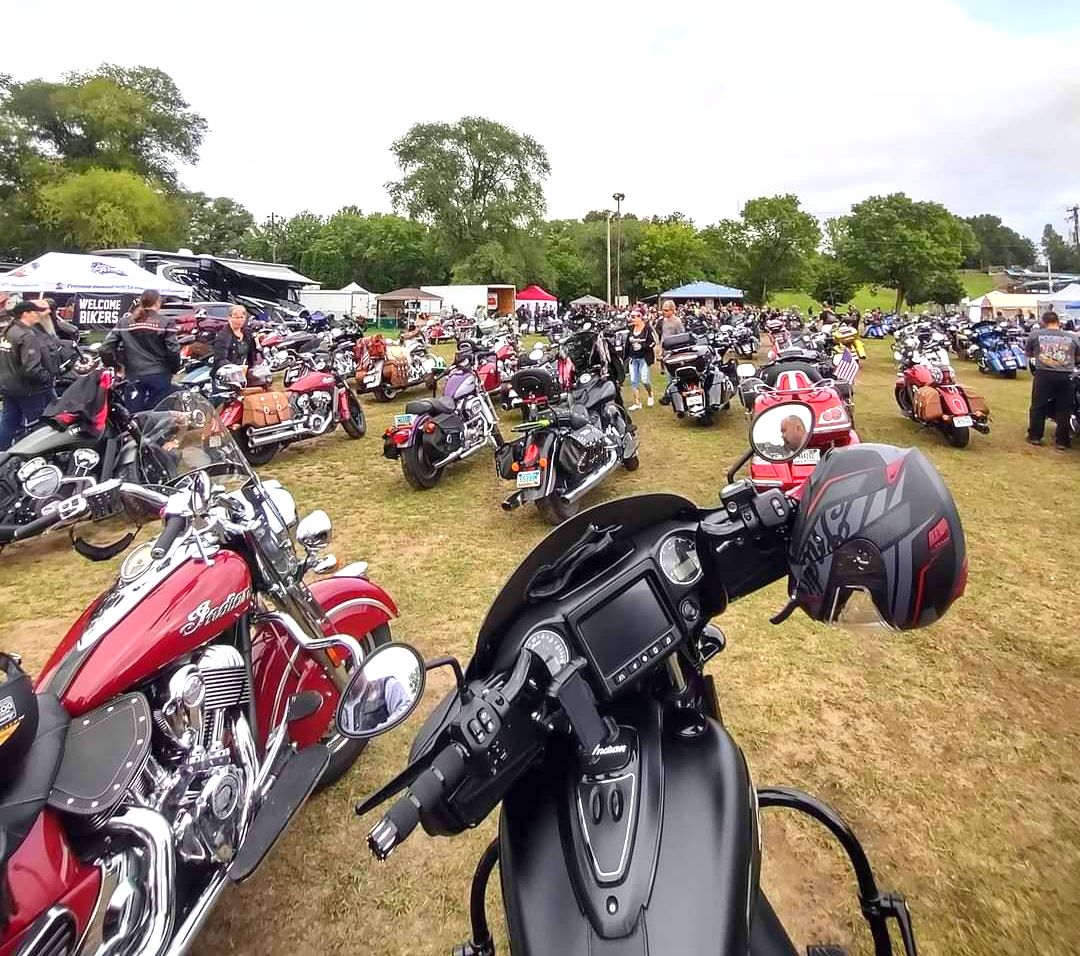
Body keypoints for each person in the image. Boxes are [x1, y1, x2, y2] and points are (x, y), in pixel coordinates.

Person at [103, 289, 181, 412]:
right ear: (158, 303)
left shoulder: (124, 322)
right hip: (159, 375)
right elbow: (173, 351)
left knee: (134, 416)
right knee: (157, 415)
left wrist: (116, 367)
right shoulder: (165, 322)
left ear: (140, 302)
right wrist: (174, 369)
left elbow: (106, 348)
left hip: (133, 375)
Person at [0, 300, 59, 449]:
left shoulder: (9, 330)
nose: (38, 315)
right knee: (39, 427)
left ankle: (2, 452)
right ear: (25, 314)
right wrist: (48, 378)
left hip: (9, 387)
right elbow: (31, 368)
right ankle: (37, 454)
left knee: (8, 422)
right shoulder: (27, 336)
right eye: (35, 312)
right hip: (30, 390)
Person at [1025, 310, 1079, 450]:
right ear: (1058, 322)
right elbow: (1078, 356)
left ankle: (1035, 436)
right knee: (1064, 408)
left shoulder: (1035, 335)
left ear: (1043, 322)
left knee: (1038, 405)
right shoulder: (1072, 337)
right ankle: (1062, 441)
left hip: (1044, 374)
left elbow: (1029, 353)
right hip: (1066, 375)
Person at [341, 670, 412, 735]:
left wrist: (377, 731)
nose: (346, 675)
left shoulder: (385, 685)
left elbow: (406, 711)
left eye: (349, 667)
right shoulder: (341, 710)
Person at [623, 310, 656, 410]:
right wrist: (625, 357)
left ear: (640, 317)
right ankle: (637, 403)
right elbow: (627, 344)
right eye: (631, 316)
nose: (631, 319)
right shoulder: (630, 328)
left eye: (634, 317)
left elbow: (653, 342)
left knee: (645, 380)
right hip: (633, 358)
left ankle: (650, 394)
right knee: (634, 381)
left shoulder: (647, 328)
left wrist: (642, 346)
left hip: (644, 358)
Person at [212, 305, 260, 374]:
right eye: (236, 317)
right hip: (227, 374)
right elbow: (220, 360)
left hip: (246, 372)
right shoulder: (223, 336)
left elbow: (252, 355)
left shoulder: (248, 333)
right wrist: (236, 369)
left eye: (241, 317)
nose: (239, 320)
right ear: (229, 318)